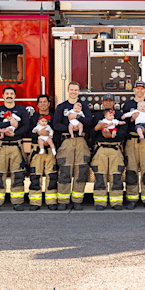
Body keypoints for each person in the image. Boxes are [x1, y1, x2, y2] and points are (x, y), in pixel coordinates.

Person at [52, 81, 93, 211]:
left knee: (81, 172)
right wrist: (70, 128)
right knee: (65, 171)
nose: (74, 92)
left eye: (76, 90)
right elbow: (56, 124)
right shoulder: (61, 107)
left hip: (81, 142)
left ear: (79, 92)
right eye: (71, 89)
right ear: (68, 90)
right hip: (66, 141)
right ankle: (63, 201)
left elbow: (89, 121)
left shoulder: (84, 106)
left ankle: (77, 201)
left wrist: (77, 118)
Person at [0, 86, 30, 211]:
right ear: (3, 96)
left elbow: (26, 126)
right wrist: (9, 124)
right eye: (7, 94)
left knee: (18, 175)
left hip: (16, 147)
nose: (9, 96)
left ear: (15, 96)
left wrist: (15, 134)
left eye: (11, 94)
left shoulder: (21, 110)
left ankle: (17, 202)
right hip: (1, 148)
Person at [122, 80, 145, 210]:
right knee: (131, 170)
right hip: (131, 141)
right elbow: (124, 124)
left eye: (141, 89)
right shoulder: (128, 105)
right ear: (134, 90)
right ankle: (132, 199)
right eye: (137, 88)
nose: (139, 91)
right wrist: (132, 120)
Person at [91, 94, 128, 210]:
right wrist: (98, 128)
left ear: (114, 103)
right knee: (100, 176)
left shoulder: (120, 116)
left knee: (116, 176)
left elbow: (123, 133)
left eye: (110, 101)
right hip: (100, 149)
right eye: (105, 101)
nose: (108, 103)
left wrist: (110, 136)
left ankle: (116, 202)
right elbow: (91, 133)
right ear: (102, 103)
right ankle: (100, 203)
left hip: (115, 149)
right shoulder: (97, 117)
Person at [28, 95, 59, 211]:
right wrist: (39, 135)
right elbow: (29, 132)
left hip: (50, 149)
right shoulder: (33, 118)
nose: (43, 104)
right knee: (35, 175)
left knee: (52, 175)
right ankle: (35, 202)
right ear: (37, 105)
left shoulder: (54, 117)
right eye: (40, 102)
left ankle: (51, 202)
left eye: (45, 102)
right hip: (37, 150)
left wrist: (51, 141)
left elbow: (57, 132)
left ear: (49, 104)